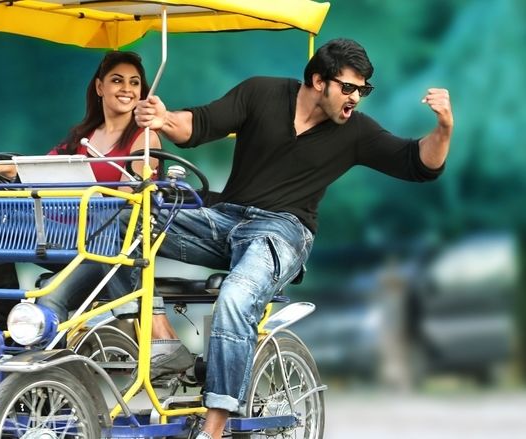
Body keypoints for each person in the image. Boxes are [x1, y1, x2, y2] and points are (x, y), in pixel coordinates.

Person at [130, 38, 453, 439]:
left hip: (284, 231)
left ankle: (213, 430)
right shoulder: (261, 92)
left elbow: (417, 162)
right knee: (126, 223)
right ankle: (141, 337)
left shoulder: (355, 132)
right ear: (319, 80)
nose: (356, 99)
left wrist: (443, 128)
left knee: (237, 295)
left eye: (363, 91)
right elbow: (198, 124)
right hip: (225, 218)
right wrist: (162, 118)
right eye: (349, 88)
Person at [0, 50, 161, 357]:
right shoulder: (81, 136)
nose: (127, 89)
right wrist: (5, 166)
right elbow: (42, 170)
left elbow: (134, 202)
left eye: (134, 82)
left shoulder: (143, 139)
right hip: (64, 237)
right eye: (117, 80)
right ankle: (8, 328)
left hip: (105, 248)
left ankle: (53, 374)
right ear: (100, 87)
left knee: (50, 298)